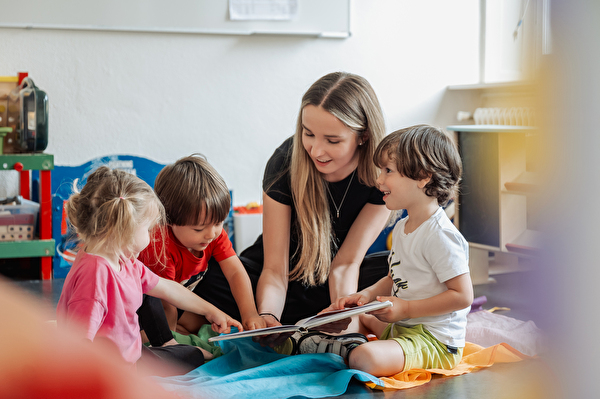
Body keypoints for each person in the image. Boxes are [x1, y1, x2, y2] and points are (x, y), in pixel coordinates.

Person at [195, 71, 391, 332]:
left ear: (363, 136)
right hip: (278, 280)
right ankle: (298, 323)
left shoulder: (382, 175)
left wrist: (345, 327)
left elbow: (345, 265)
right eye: (308, 134)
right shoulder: (284, 162)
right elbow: (275, 269)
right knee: (210, 275)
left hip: (339, 284)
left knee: (400, 271)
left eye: (332, 140)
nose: (316, 151)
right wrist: (267, 316)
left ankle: (318, 322)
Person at [297, 125, 474, 377]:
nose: (379, 179)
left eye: (388, 171)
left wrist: (407, 309)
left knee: (365, 358)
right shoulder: (403, 226)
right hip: (404, 328)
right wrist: (364, 296)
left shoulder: (441, 235)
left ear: (423, 176)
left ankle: (349, 350)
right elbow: (394, 277)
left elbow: (462, 296)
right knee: (364, 317)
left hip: (435, 341)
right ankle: (340, 344)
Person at [56, 166, 243, 375]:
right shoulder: (95, 276)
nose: (152, 234)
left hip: (131, 355)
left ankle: (170, 345)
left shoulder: (124, 260)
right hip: (114, 371)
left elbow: (167, 288)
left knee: (194, 354)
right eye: (147, 228)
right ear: (122, 229)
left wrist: (212, 312)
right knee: (193, 359)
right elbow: (78, 347)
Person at [138, 154, 264, 343]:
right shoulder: (159, 247)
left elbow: (235, 272)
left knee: (208, 322)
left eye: (219, 223)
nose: (211, 234)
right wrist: (170, 342)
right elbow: (166, 302)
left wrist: (250, 314)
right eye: (199, 229)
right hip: (144, 304)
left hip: (179, 299)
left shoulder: (212, 231)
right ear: (168, 220)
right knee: (153, 335)